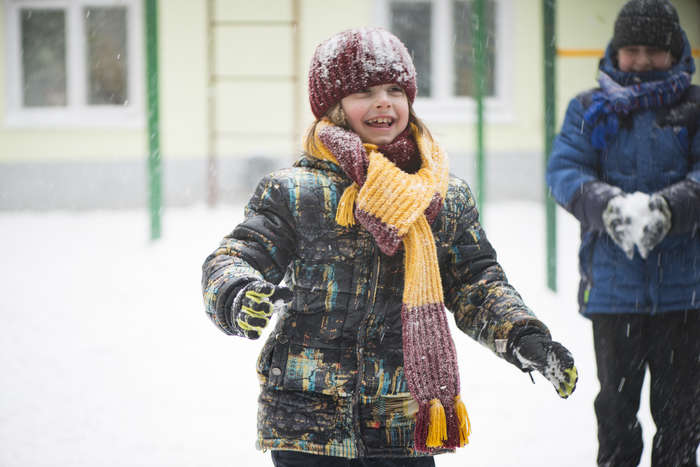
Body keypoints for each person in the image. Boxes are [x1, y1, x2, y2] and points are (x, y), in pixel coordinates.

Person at [203, 27, 577, 467]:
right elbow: (235, 256)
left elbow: (477, 283)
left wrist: (523, 335)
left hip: (403, 418)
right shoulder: (296, 192)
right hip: (308, 423)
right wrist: (238, 293)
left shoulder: (442, 197)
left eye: (395, 90)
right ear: (334, 108)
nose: (384, 102)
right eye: (364, 91)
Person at [546, 1, 700, 466]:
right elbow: (564, 172)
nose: (642, 60)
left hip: (685, 296)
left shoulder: (694, 108)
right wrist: (607, 205)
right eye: (632, 50)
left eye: (654, 51)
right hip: (614, 294)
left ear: (674, 53)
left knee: (681, 414)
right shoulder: (589, 109)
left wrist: (670, 208)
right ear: (616, 51)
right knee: (616, 410)